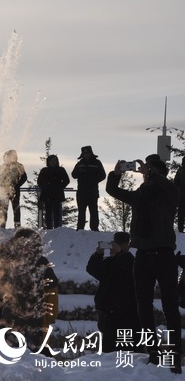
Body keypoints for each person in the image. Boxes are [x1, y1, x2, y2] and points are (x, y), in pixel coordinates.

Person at [106, 154, 181, 370]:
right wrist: (116, 174)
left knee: (170, 308)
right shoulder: (142, 194)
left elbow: (164, 185)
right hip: (143, 256)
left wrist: (152, 173)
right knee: (144, 308)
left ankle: (175, 358)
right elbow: (113, 191)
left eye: (148, 169)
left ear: (157, 172)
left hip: (165, 255)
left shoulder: (169, 190)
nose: (144, 172)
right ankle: (154, 354)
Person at [0, 228, 58, 348]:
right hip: (4, 320)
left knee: (30, 356)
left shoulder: (41, 263)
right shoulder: (4, 261)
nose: (26, 248)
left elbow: (52, 291)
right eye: (23, 244)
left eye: (30, 244)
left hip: (33, 321)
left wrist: (50, 317)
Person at [85, 231, 140, 353]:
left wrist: (120, 254)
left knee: (127, 349)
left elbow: (127, 270)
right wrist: (98, 254)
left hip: (127, 314)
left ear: (127, 245)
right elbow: (92, 269)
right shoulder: (110, 262)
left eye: (119, 244)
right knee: (109, 350)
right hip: (108, 312)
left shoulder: (131, 261)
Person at [71, 145, 106, 231]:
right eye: (84, 153)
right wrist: (79, 171)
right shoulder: (79, 164)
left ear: (91, 153)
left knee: (93, 210)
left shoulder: (97, 163)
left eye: (88, 153)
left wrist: (94, 180)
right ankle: (80, 228)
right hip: (81, 192)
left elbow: (103, 175)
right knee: (81, 211)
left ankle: (94, 228)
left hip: (92, 191)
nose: (86, 155)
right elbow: (73, 175)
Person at [37, 154, 70, 229]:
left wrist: (60, 186)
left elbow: (66, 180)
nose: (53, 162)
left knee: (57, 212)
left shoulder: (61, 170)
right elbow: (39, 181)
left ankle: (57, 228)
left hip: (57, 194)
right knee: (48, 212)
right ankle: (49, 227)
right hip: (47, 194)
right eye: (52, 160)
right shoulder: (44, 170)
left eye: (55, 160)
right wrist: (45, 187)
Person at [0, 150, 27, 228]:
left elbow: (24, 177)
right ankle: (3, 225)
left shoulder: (19, 166)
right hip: (4, 190)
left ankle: (17, 225)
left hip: (15, 190)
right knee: (5, 209)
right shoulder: (3, 166)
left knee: (16, 208)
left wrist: (17, 185)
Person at [175, 164, 185, 233]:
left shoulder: (180, 170)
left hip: (181, 196)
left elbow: (176, 182)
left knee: (181, 214)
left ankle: (180, 229)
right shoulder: (180, 171)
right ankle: (180, 229)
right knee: (181, 213)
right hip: (181, 196)